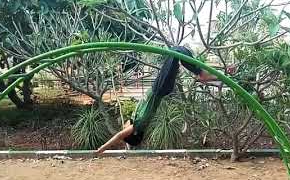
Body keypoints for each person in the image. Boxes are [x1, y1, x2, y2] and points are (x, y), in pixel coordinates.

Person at [96, 46, 229, 153]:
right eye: (124, 129)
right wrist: (102, 148)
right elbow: (119, 136)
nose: (123, 125)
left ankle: (205, 75)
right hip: (160, 88)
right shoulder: (138, 124)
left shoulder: (137, 119)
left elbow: (122, 135)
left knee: (179, 53)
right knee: (176, 52)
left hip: (159, 87)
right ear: (130, 133)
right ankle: (202, 74)